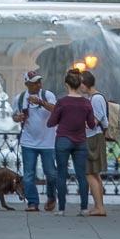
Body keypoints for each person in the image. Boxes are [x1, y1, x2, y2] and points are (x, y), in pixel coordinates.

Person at [47, 69, 97, 216]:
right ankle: (84, 208)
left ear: (66, 84)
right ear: (79, 84)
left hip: (63, 140)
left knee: (61, 174)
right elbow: (92, 124)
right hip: (80, 141)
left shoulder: (62, 102)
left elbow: (51, 123)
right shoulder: (86, 103)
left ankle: (61, 209)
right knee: (82, 175)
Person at [13, 69, 57, 212]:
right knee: (28, 175)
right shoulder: (20, 98)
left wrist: (41, 102)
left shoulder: (47, 95)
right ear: (27, 84)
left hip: (48, 142)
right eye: (34, 82)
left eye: (39, 81)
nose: (38, 84)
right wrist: (18, 118)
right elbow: (14, 116)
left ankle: (51, 197)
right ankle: (32, 202)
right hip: (28, 142)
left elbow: (56, 110)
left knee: (51, 174)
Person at [80, 71, 109, 217]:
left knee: (89, 173)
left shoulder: (96, 98)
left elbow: (95, 121)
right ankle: (99, 206)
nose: (79, 87)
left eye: (80, 84)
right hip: (94, 137)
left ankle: (100, 207)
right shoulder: (93, 98)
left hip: (93, 138)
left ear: (85, 84)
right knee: (94, 174)